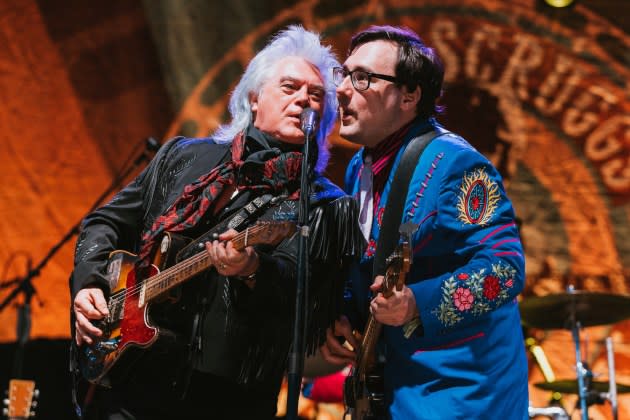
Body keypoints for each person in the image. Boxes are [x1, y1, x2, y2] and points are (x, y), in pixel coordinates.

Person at [70, 25, 363, 419]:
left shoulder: (328, 206)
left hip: (227, 400)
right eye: (290, 87)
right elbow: (104, 221)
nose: (303, 101)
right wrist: (89, 283)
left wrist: (254, 270)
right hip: (134, 382)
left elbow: (304, 298)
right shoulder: (183, 157)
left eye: (315, 96)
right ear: (255, 96)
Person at [319, 25, 528, 419]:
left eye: (362, 78)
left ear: (410, 96)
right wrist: (345, 316)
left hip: (463, 393)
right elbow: (368, 265)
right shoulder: (358, 170)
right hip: (399, 384)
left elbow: (505, 270)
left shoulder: (456, 165)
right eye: (343, 74)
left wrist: (416, 303)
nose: (343, 89)